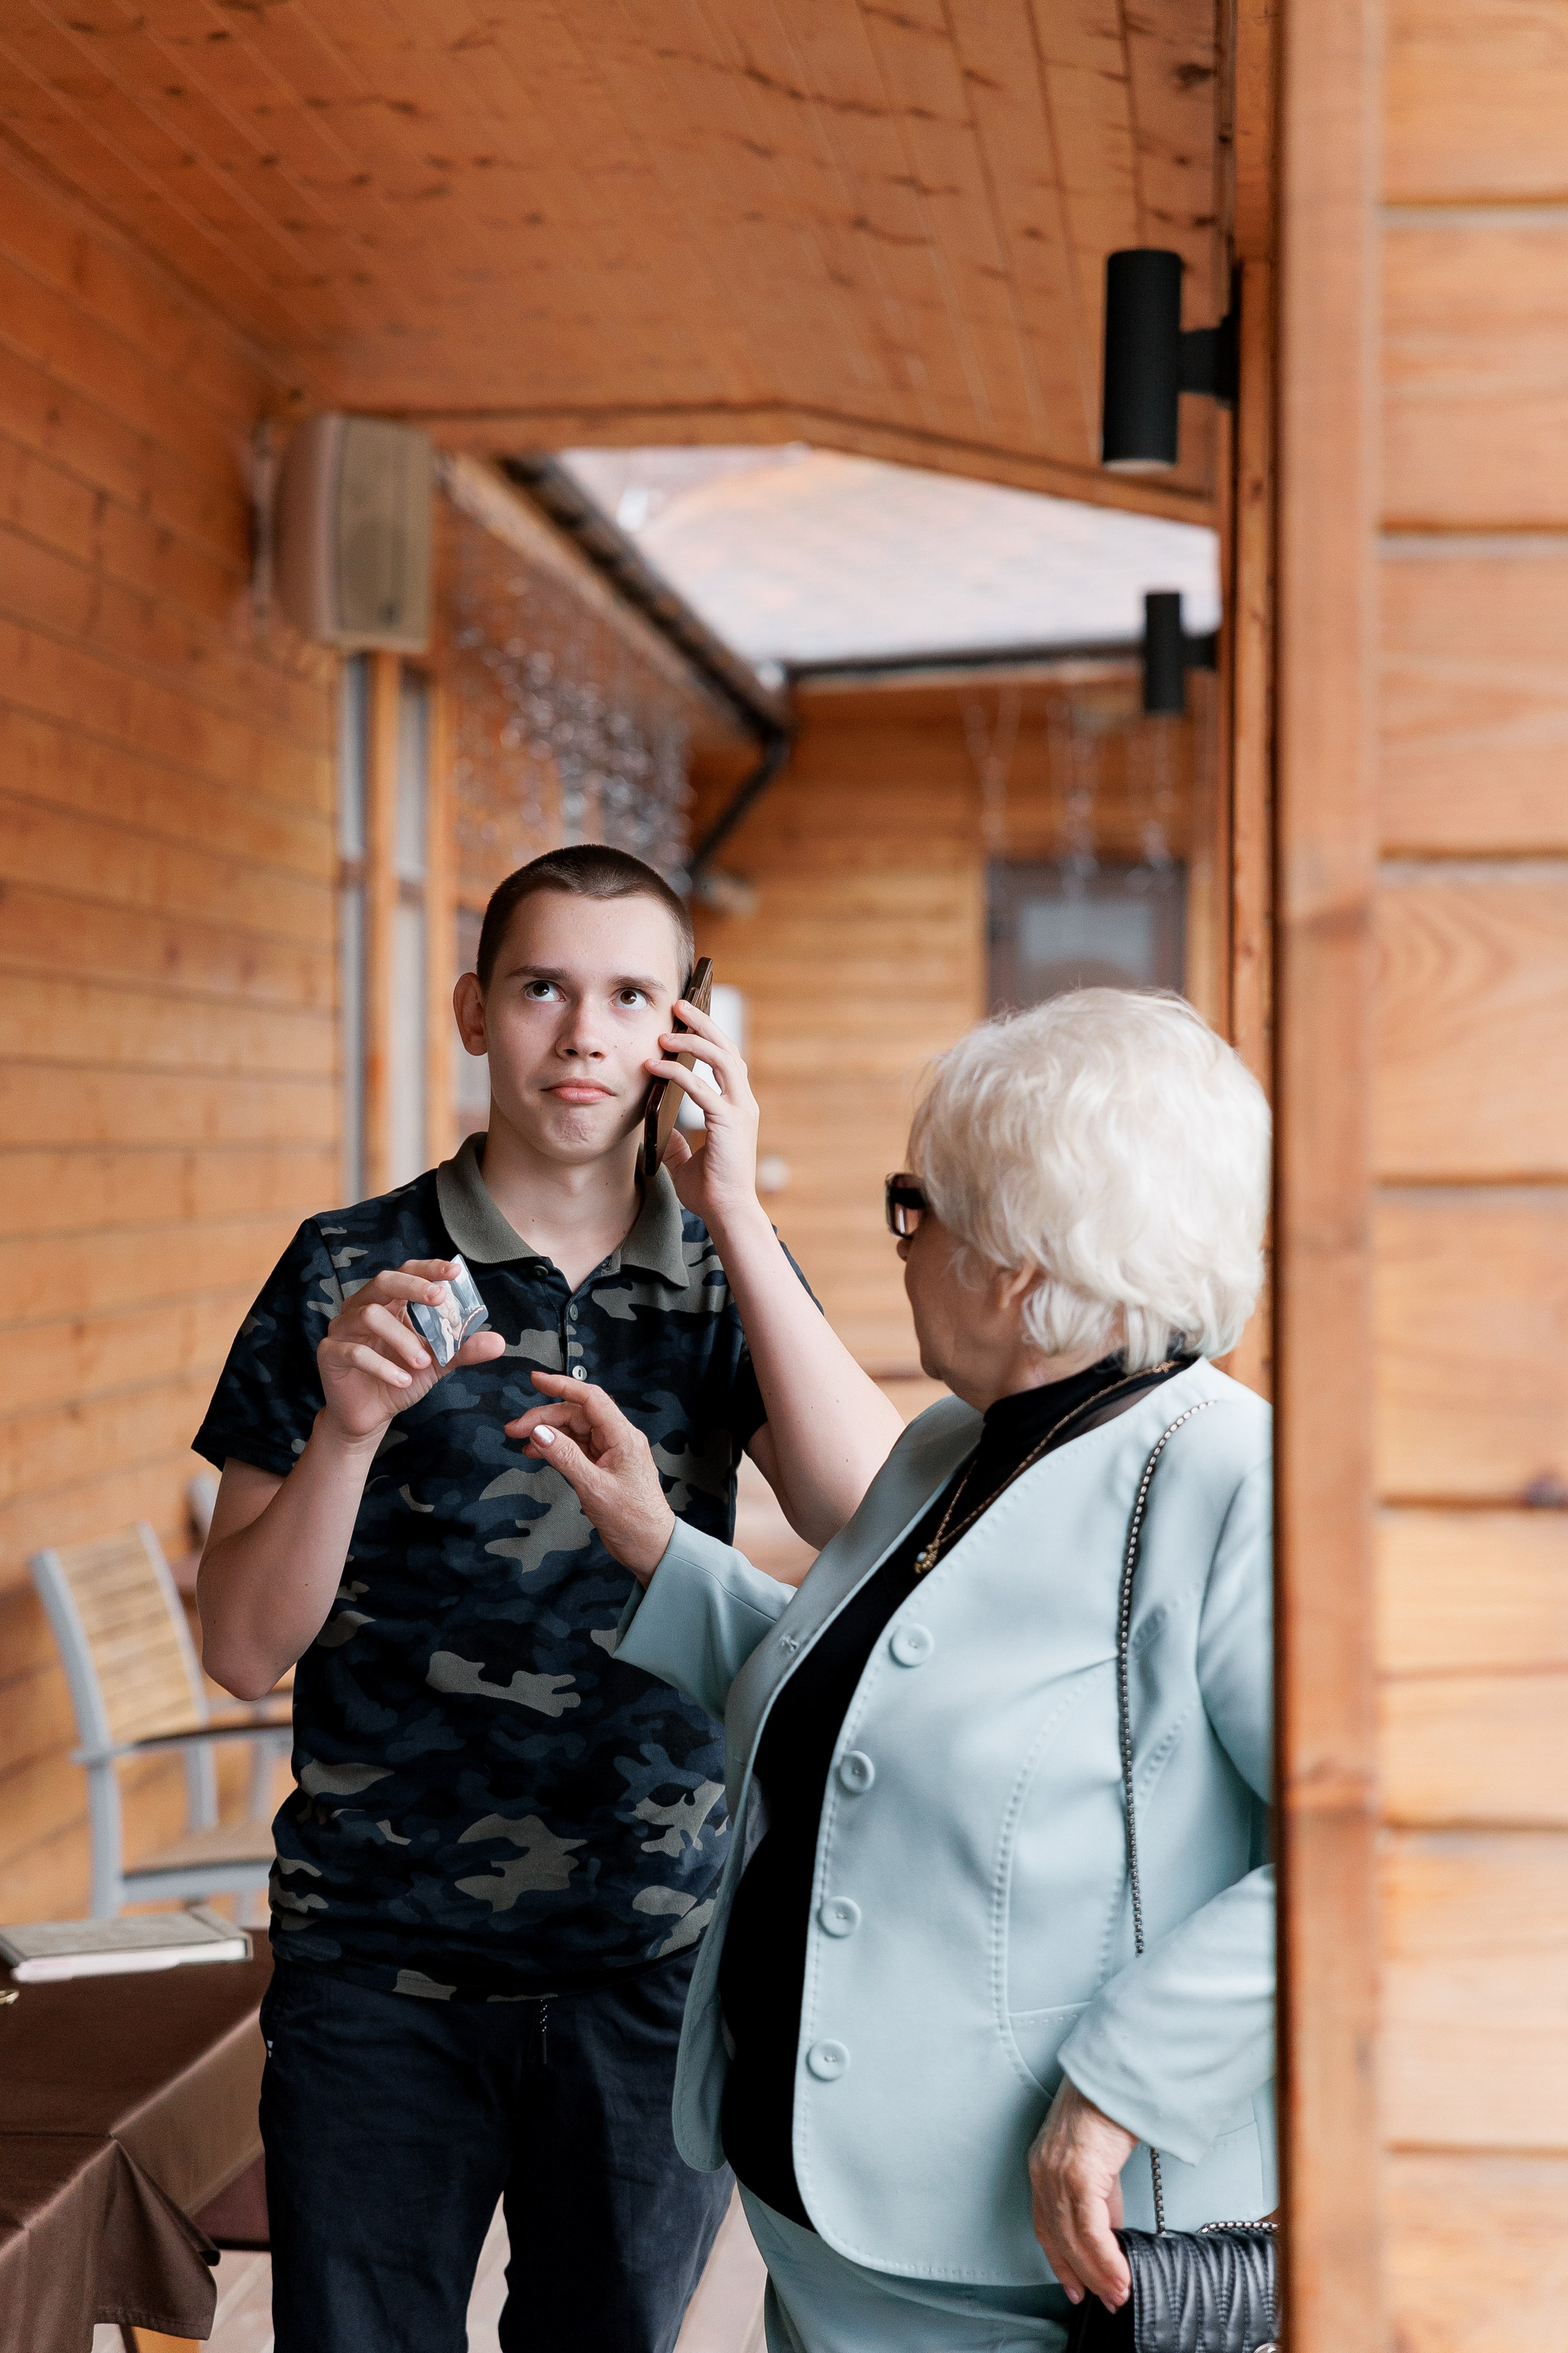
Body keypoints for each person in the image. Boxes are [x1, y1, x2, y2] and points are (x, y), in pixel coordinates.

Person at [194, 844, 903, 2353]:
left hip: (651, 1967)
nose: (583, 1033)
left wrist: (736, 1208)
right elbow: (242, 1649)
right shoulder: (344, 1269)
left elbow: (863, 1513)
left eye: (630, 995)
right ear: (473, 1011)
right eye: (540, 988)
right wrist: (345, 1432)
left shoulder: (719, 1274)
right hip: (373, 1973)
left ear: (684, 1031)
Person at [511, 988, 1275, 2353]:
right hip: (819, 2227)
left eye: (915, 1209)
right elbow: (870, 1717)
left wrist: (1120, 2086)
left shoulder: (1226, 1477)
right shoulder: (947, 1446)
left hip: (1020, 2263)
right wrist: (662, 1551)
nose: (902, 1246)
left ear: (1019, 1262)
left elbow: (1351, 1856)